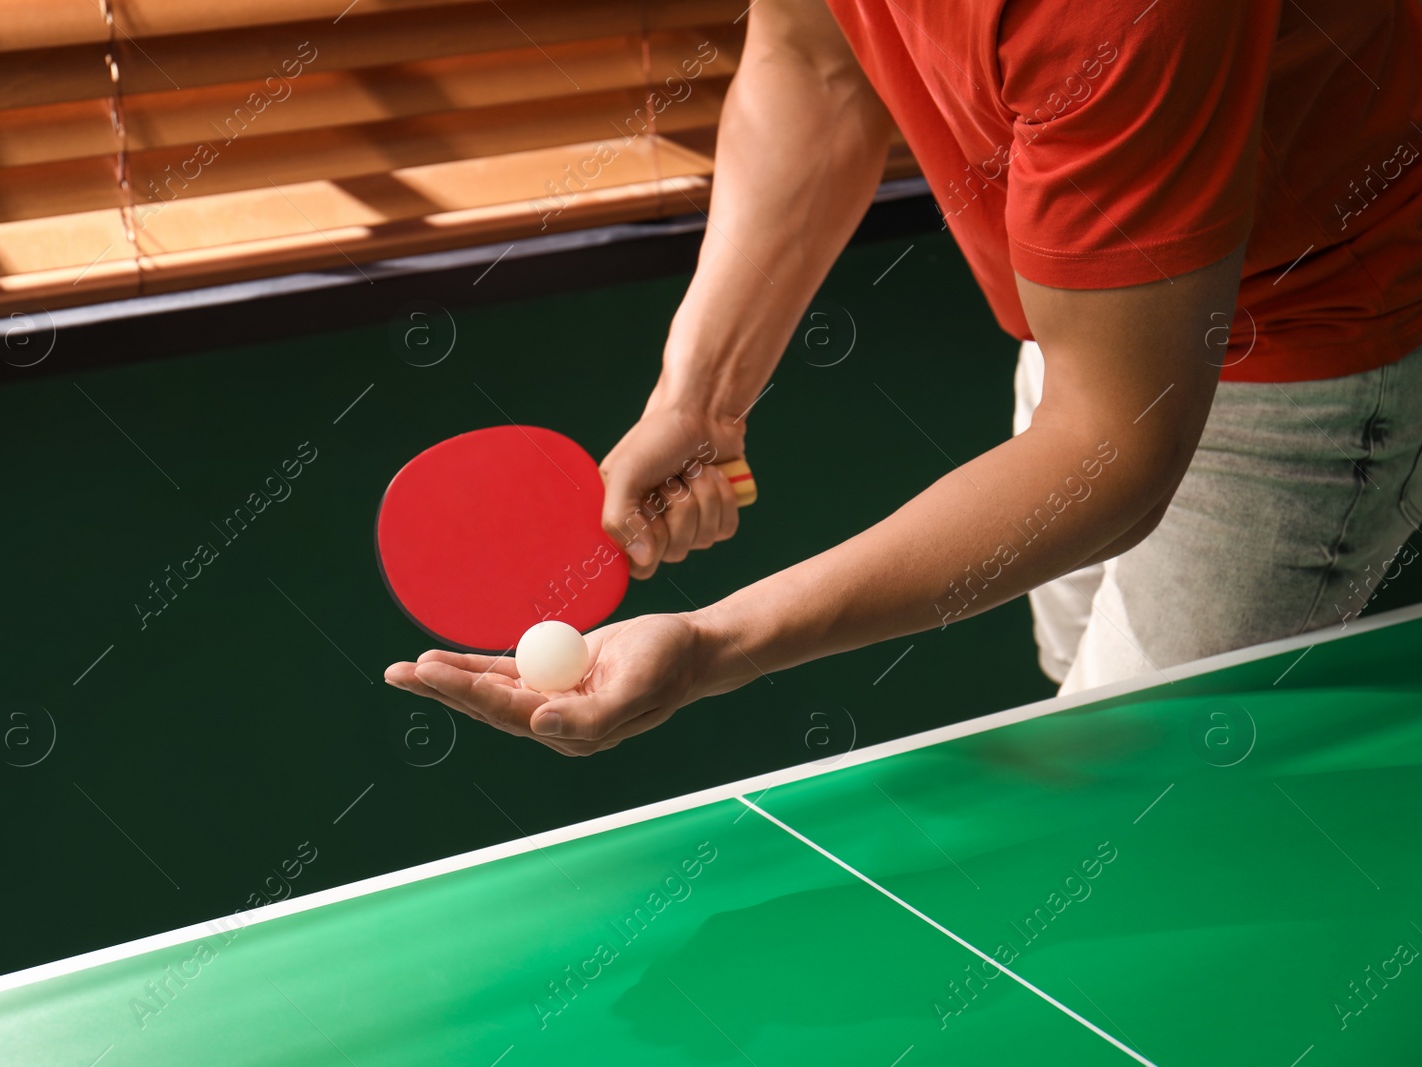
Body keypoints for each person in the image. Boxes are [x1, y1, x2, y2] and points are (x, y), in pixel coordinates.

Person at [386, 0, 1422, 756]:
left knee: (1138, 800)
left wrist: (713, 644)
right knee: (1085, 696)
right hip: (1095, 324)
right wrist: (699, 392)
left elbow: (1108, 449)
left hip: (1300, 339)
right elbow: (813, 62)